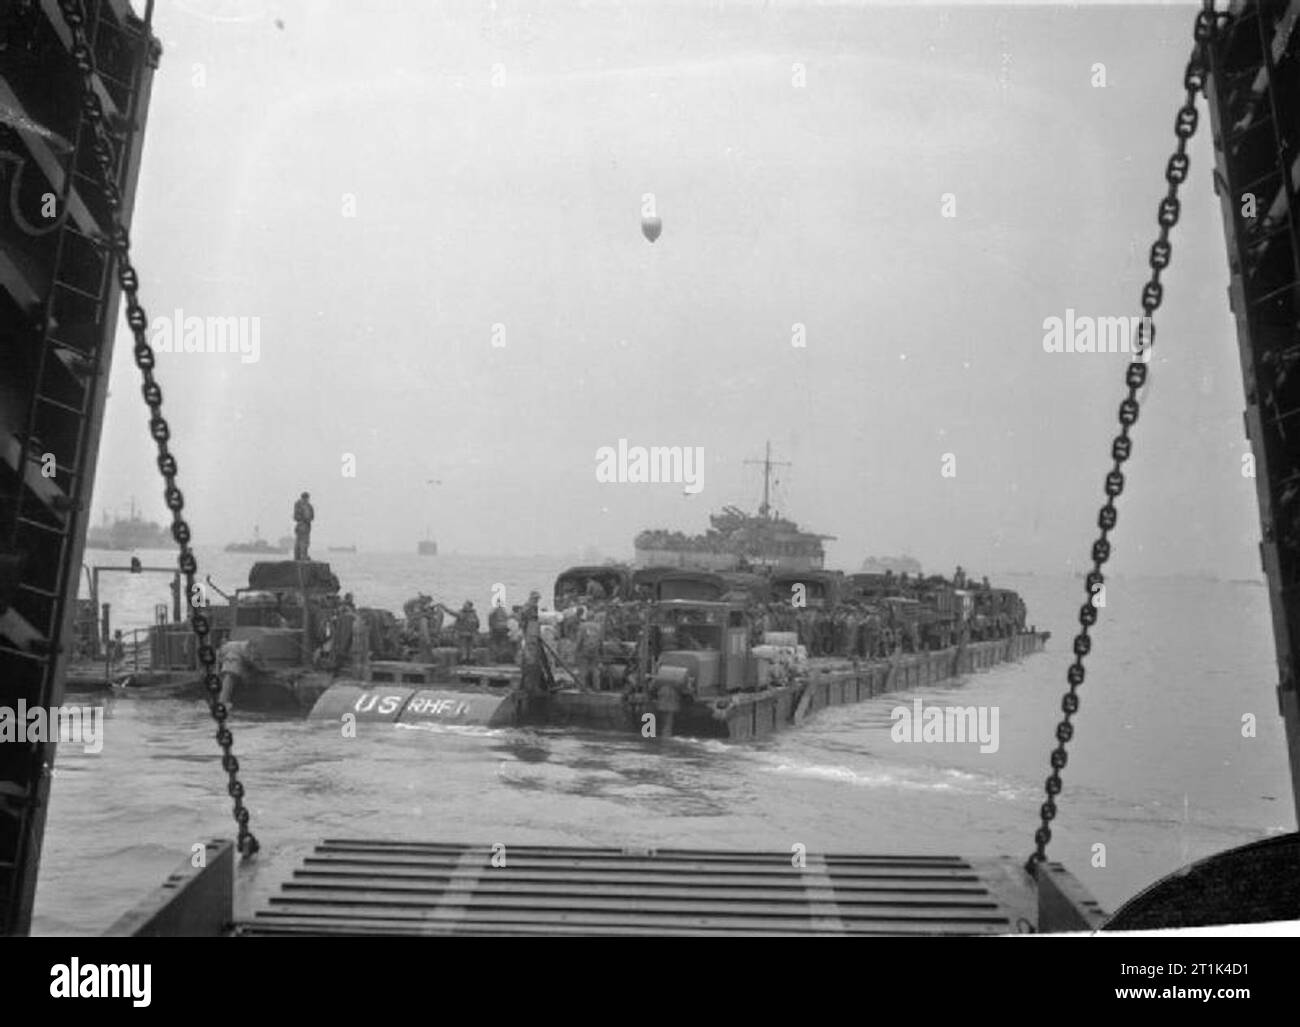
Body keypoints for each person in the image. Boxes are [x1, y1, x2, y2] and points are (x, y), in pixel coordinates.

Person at [293, 491, 314, 561]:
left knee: (304, 542)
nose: (307, 500)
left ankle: (301, 556)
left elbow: (312, 516)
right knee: (302, 542)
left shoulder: (309, 506)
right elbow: (296, 516)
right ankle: (301, 556)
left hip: (306, 526)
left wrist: (308, 519)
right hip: (302, 525)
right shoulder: (299, 504)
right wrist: (304, 519)